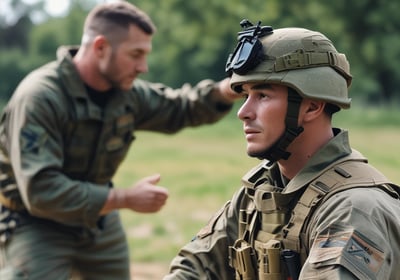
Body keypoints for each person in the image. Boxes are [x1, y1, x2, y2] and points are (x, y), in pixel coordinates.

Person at [0, 1, 239, 279]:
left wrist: (226, 90)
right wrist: (124, 197)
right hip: (36, 223)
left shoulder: (125, 92)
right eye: (135, 54)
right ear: (100, 47)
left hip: (99, 220)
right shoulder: (40, 97)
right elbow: (42, 192)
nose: (144, 67)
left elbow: (178, 107)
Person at [164, 20, 400, 280]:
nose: (243, 113)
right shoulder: (260, 192)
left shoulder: (355, 209)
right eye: (245, 96)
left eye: (263, 96)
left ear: (312, 107)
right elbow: (194, 267)